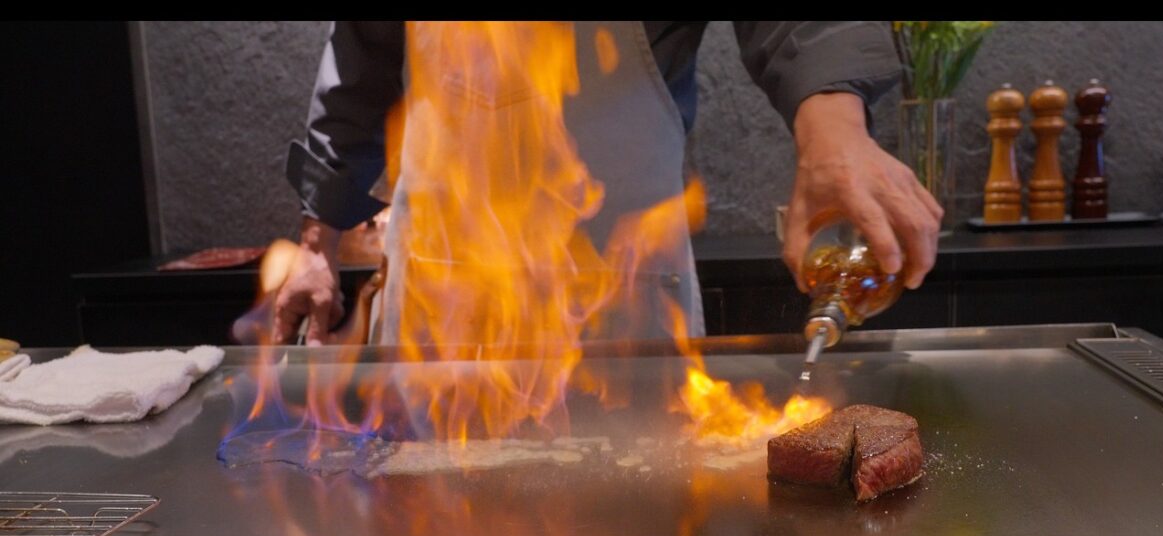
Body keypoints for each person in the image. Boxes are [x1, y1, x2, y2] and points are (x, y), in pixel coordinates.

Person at [276, 21, 943, 346]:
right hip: (446, 308)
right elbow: (359, 64)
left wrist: (834, 134)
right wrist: (319, 242)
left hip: (624, 299)